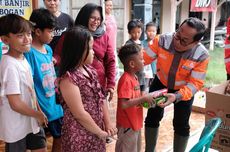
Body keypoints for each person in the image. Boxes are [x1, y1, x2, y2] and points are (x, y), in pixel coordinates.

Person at [143, 17, 209, 152]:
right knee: (152, 118)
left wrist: (176, 96)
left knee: (181, 124)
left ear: (196, 42)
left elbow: (195, 84)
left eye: (184, 41)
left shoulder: (201, 55)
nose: (177, 41)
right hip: (160, 83)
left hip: (184, 91)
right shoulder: (162, 40)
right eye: (178, 34)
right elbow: (143, 58)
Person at [58, 26, 117, 152]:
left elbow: (101, 98)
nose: (93, 51)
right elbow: (79, 114)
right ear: (78, 51)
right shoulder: (68, 79)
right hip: (79, 134)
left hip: (96, 129)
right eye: (90, 48)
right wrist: (99, 132)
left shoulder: (90, 71)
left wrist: (107, 122)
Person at [0, 14, 47, 152]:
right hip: (16, 127)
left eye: (28, 33)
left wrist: (39, 110)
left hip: (31, 121)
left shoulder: (22, 58)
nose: (27, 39)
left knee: (41, 147)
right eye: (20, 35)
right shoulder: (9, 64)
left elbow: (31, 89)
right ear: (5, 39)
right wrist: (37, 114)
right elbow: (15, 103)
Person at [24, 8, 63, 152]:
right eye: (50, 31)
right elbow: (30, 84)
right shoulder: (29, 53)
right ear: (38, 31)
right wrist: (38, 109)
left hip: (55, 105)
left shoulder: (48, 49)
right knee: (38, 142)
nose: (53, 35)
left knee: (60, 137)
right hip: (42, 107)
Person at [115, 44, 158, 152]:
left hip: (135, 123)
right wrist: (143, 99)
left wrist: (147, 102)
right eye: (141, 59)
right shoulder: (125, 80)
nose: (143, 61)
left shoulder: (134, 77)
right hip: (127, 126)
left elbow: (134, 100)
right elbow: (124, 104)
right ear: (132, 64)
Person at [43, 0, 74, 67]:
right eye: (48, 0)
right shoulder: (41, 19)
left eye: (55, 0)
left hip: (65, 61)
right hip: (45, 60)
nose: (52, 3)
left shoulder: (68, 19)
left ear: (59, 1)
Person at [125, 19, 146, 95]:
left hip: (141, 73)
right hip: (133, 74)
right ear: (129, 32)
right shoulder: (128, 44)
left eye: (138, 32)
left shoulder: (141, 43)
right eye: (133, 32)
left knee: (142, 94)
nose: (136, 34)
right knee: (134, 94)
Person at [104, 0, 119, 80]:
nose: (109, 7)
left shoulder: (112, 17)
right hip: (106, 48)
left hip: (113, 47)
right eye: (107, 5)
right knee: (108, 68)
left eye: (111, 5)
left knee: (114, 71)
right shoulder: (103, 18)